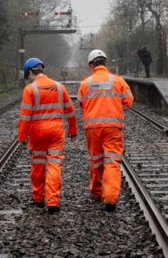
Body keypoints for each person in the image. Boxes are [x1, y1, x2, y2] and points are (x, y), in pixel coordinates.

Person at [18, 57, 77, 214]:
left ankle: (38, 198)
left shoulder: (30, 90)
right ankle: (52, 202)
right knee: (54, 165)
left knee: (38, 164)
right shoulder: (59, 87)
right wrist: (72, 129)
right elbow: (70, 110)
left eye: (27, 76)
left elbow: (24, 116)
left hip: (37, 132)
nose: (28, 80)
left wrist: (22, 137)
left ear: (31, 72)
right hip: (56, 131)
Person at [77, 49, 134, 212]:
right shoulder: (118, 81)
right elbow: (129, 101)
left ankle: (96, 192)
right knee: (112, 162)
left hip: (92, 129)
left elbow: (81, 102)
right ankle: (110, 198)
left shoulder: (85, 83)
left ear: (90, 65)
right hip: (113, 128)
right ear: (106, 63)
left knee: (95, 160)